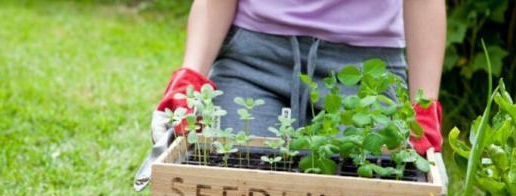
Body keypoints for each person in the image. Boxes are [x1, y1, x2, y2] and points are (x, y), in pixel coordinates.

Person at [150, 0, 445, 156]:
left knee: (368, 181)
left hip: (367, 74)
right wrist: (191, 76)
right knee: (232, 171)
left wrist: (424, 109)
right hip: (255, 62)